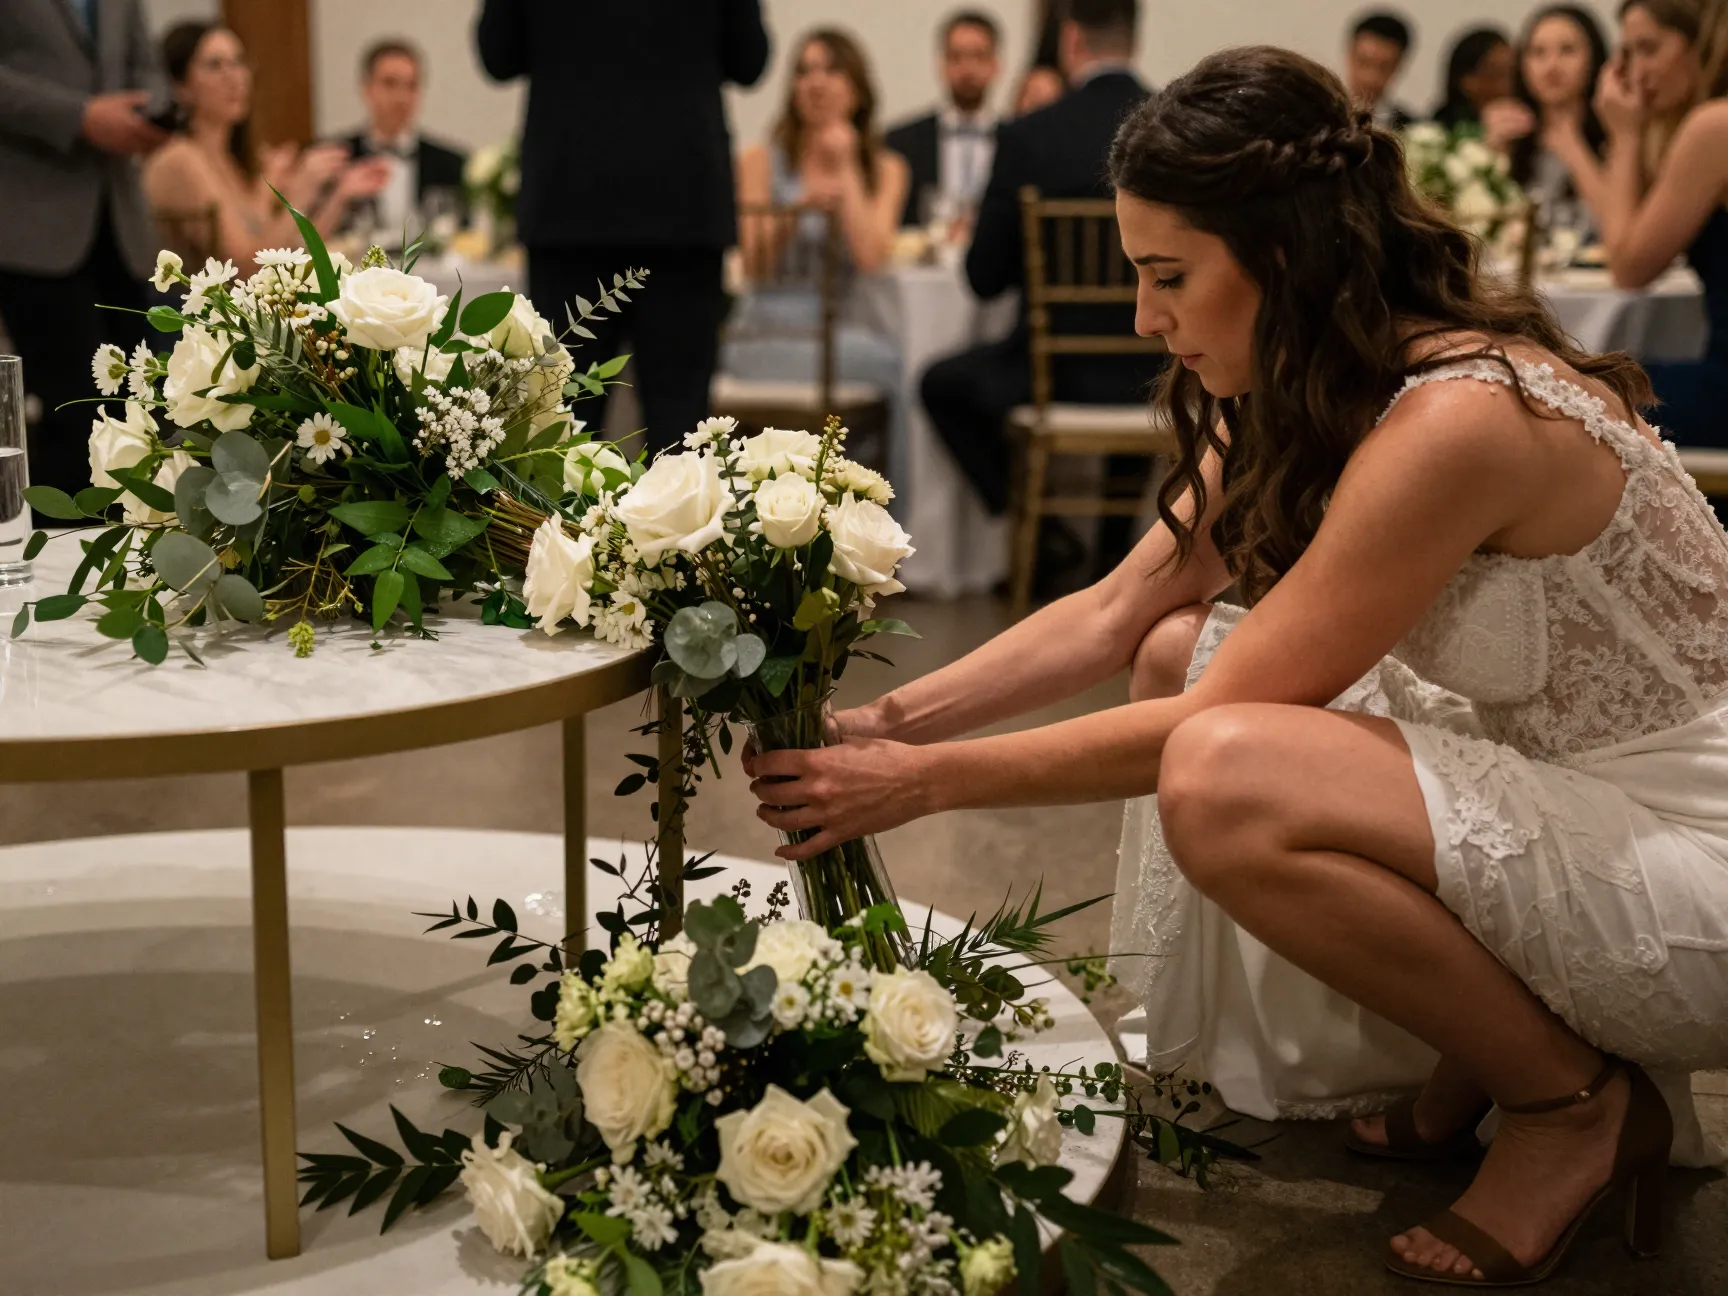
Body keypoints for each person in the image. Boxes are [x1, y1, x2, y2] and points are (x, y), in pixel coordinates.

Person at [748, 44, 1728, 1286]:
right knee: (1178, 642)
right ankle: (1485, 1056)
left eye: (1168, 276)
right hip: (1579, 793)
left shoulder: (1459, 418)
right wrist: (886, 722)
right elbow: (1114, 611)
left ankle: (1571, 1107)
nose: (1144, 318)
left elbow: (1220, 723)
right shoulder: (1319, 381)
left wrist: (920, 785)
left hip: (1692, 856)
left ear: (1287, 256)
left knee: (1222, 772)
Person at [920, 0, 1159, 585]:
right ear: (1134, 38)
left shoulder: (1030, 135)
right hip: (1157, 367)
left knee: (941, 385)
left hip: (1053, 375)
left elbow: (983, 278)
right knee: (1141, 356)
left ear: (1071, 40)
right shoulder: (1174, 130)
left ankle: (1038, 525)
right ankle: (1112, 554)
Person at [477, 0, 768, 458]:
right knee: (679, 426)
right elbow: (749, 60)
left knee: (565, 422)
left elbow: (498, 55)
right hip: (682, 204)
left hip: (570, 203)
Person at [722, 30, 909, 483]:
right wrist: (797, 208)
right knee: (891, 368)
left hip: (838, 329)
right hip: (764, 332)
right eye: (804, 71)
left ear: (857, 89)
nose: (816, 83)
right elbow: (753, 265)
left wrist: (845, 168)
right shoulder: (759, 160)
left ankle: (861, 504)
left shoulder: (885, 168)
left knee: (897, 364)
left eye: (831, 70)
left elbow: (870, 256)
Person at [0, 0, 163, 502]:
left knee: (146, 412)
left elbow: (149, 69)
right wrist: (80, 116)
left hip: (122, 224)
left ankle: (148, 541)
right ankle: (63, 547)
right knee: (75, 424)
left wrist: (154, 109)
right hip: (35, 224)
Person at [1586, 0, 1728, 452]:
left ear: (1699, 41)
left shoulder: (1716, 126)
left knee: (1563, 394)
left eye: (1647, 49)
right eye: (1627, 53)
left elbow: (1628, 266)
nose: (1634, 72)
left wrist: (1624, 135)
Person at [143, 23, 387, 275]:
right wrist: (301, 190)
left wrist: (339, 195)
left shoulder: (226, 157)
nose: (235, 77)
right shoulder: (180, 159)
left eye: (238, 62)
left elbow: (291, 248)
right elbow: (249, 267)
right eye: (215, 65)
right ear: (180, 85)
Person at [339, 40, 468, 244]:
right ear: (367, 89)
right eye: (390, 83)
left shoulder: (451, 164)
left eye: (411, 86)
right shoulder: (339, 159)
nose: (401, 97)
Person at [1501, 6, 1612, 243]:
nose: (1552, 66)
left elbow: (1616, 224)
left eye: (1567, 50)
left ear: (1594, 59)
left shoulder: (1617, 135)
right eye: (1538, 53)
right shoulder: (1511, 137)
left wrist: (1573, 149)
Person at [885, 12, 1002, 229]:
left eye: (979, 56)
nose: (968, 69)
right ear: (942, 64)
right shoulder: (902, 142)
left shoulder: (1017, 140)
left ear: (996, 65)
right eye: (956, 57)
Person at [1432, 26, 1516, 129]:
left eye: (1516, 74)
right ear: (1467, 82)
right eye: (1500, 74)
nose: (1512, 84)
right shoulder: (1439, 131)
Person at [1345, 11, 1417, 131]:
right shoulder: (1321, 115)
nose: (1369, 78)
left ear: (1398, 67)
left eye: (1383, 67)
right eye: (1363, 63)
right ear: (1349, 56)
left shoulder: (1410, 129)